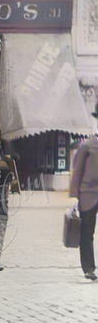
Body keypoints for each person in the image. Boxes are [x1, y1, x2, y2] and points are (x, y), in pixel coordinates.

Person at [69, 117, 98, 281]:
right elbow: (77, 171)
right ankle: (89, 268)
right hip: (88, 195)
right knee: (87, 233)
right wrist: (74, 196)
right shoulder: (86, 146)